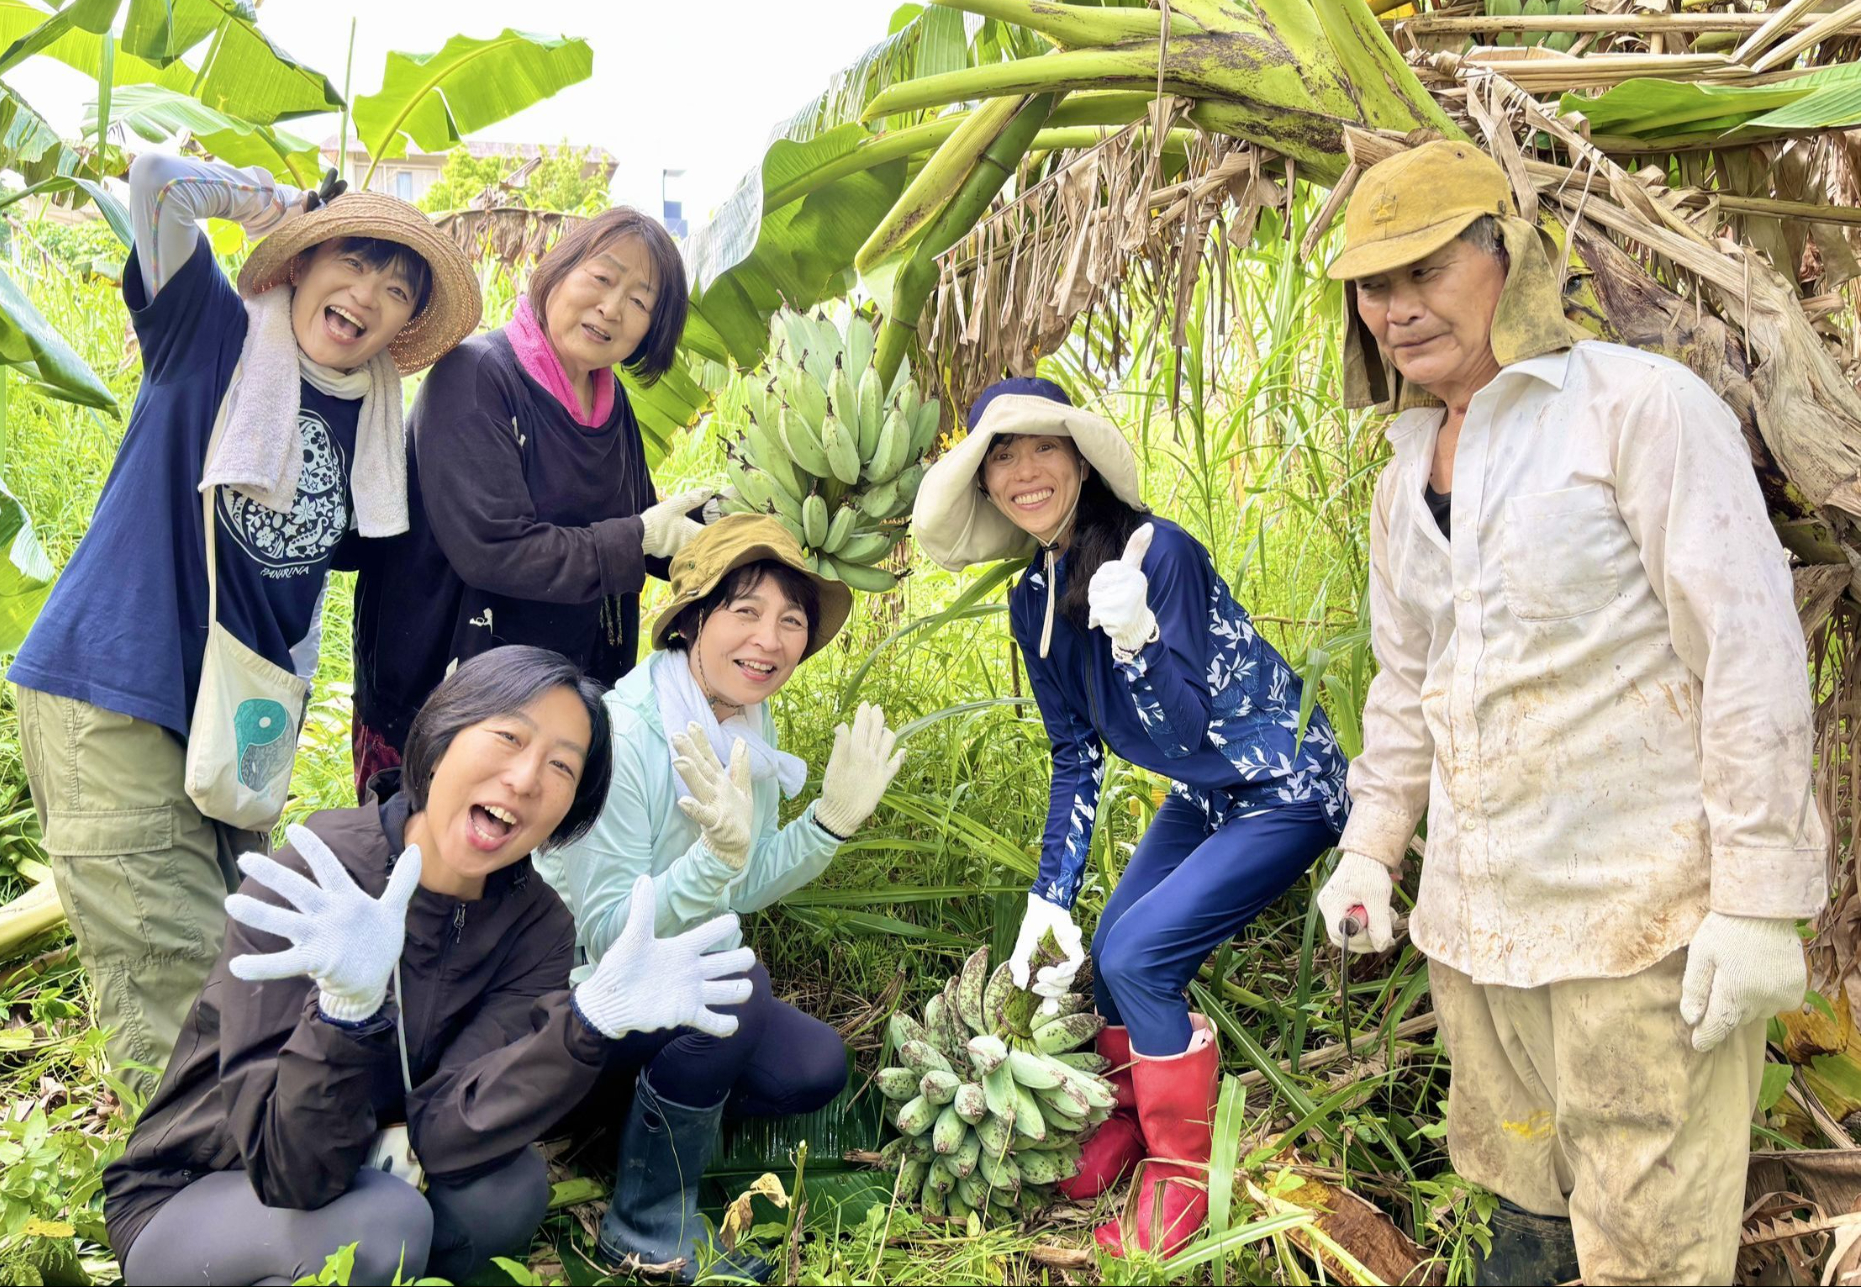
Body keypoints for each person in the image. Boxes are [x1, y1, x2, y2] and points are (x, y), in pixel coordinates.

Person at [1312, 140, 1825, 1286]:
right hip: (1478, 933)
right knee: (1519, 1211)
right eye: (1375, 286)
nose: (1397, 312)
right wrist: (1369, 850)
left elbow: (1746, 650)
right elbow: (1408, 684)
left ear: (1511, 257)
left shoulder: (1637, 412)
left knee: (1649, 1249)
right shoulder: (1405, 471)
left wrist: (1756, 904)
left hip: (1642, 932)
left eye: (1426, 270)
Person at [8, 153, 481, 1097]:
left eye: (397, 290)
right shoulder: (212, 334)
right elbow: (158, 184)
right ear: (300, 264)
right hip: (118, 692)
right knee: (176, 987)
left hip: (236, 723)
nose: (368, 297)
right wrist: (282, 202)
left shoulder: (373, 427)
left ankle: (252, 1181)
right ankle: (187, 1214)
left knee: (251, 970)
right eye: (350, 260)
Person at [101, 645, 755, 1285]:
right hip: (208, 1188)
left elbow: (446, 1134)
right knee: (385, 1227)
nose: (526, 779)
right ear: (443, 738)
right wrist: (344, 1016)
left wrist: (585, 1024)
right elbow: (287, 1170)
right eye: (507, 738)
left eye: (562, 767)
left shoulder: (537, 925)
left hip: (373, 1162)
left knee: (508, 1191)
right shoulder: (321, 875)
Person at [912, 378, 1349, 1260]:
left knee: (1140, 958)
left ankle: (1182, 1179)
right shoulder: (1031, 599)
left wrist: (1139, 640)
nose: (1024, 471)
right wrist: (1050, 903)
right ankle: (1124, 1129)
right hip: (1203, 793)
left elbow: (1182, 725)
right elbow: (1076, 757)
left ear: (1079, 460)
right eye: (1002, 456)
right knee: (1102, 958)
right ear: (986, 484)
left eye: (1043, 448)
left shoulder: (1161, 553)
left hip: (1282, 781)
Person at [535, 514, 905, 1282]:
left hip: (664, 988)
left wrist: (830, 824)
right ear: (692, 621)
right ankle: (642, 1227)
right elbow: (607, 936)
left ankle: (630, 1119)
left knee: (812, 1066)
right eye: (745, 612)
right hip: (565, 1003)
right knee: (737, 988)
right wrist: (712, 862)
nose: (769, 641)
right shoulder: (628, 733)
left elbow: (745, 879)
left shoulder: (740, 716)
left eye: (791, 620)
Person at [351, 207, 715, 798]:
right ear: (559, 271)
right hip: (441, 699)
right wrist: (640, 537)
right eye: (601, 278)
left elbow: (639, 525)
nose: (612, 308)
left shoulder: (610, 403)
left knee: (530, 884)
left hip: (556, 707)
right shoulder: (474, 376)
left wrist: (716, 533)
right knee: (429, 871)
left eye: (640, 301)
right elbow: (495, 548)